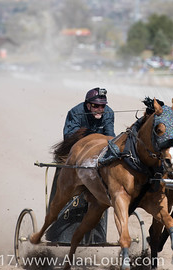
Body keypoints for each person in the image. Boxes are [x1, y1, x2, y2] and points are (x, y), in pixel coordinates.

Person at [46, 87, 115, 244]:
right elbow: (70, 137)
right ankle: (59, 231)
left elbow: (110, 136)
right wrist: (93, 138)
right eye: (96, 106)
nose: (100, 109)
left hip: (97, 155)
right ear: (88, 104)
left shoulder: (108, 113)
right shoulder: (75, 112)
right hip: (72, 154)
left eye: (102, 106)